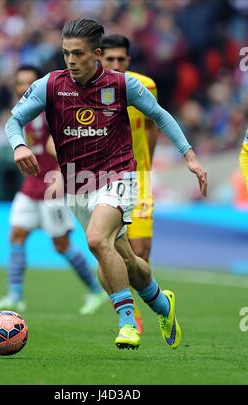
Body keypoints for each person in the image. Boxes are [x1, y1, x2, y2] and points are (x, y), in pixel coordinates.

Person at [5, 19, 207, 350]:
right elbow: (15, 120)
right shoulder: (51, 85)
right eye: (66, 53)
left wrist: (190, 156)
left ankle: (128, 322)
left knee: (98, 240)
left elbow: (160, 115)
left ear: (96, 54)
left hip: (119, 175)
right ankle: (162, 305)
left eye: (78, 54)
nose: (70, 60)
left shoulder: (123, 85)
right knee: (122, 260)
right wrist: (20, 144)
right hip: (78, 185)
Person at [0, 65, 107, 315]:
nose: (23, 87)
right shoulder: (20, 114)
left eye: (29, 82)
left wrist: (63, 175)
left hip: (52, 186)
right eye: (19, 82)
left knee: (61, 245)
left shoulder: (55, 110)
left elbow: (67, 145)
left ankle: (96, 290)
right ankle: (15, 296)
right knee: (17, 235)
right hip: (30, 186)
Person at [100, 34, 158, 335]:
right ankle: (129, 314)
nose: (116, 64)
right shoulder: (90, 90)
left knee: (140, 252)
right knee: (109, 247)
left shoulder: (144, 86)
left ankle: (152, 301)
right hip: (105, 180)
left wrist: (146, 167)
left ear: (129, 60)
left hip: (140, 180)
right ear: (99, 59)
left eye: (122, 59)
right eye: (110, 59)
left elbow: (151, 125)